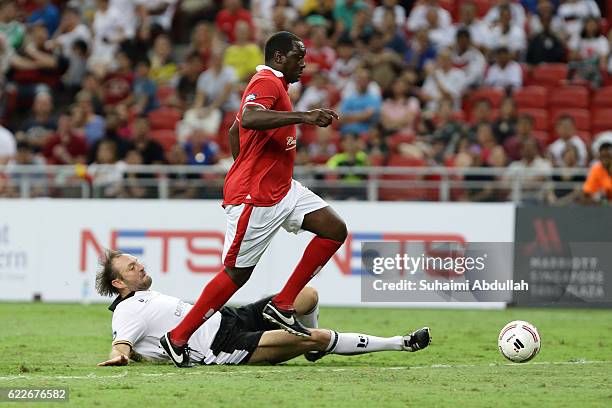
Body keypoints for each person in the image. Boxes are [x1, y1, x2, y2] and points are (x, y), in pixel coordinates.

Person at [160, 31, 347, 367]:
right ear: (278, 58)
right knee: (235, 275)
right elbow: (247, 119)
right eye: (297, 56)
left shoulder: (276, 87)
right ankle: (177, 337)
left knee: (334, 228)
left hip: (283, 189)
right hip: (256, 198)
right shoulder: (266, 81)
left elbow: (235, 131)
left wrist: (246, 163)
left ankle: (285, 303)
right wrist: (304, 117)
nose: (303, 63)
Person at [96, 250, 431, 367]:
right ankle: (400, 342)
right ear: (118, 285)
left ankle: (315, 351)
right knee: (313, 337)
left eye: (136, 261)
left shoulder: (145, 296)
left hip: (230, 317)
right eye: (130, 268)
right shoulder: (126, 311)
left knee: (307, 296)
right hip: (225, 348)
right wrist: (120, 354)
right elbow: (121, 342)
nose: (139, 267)